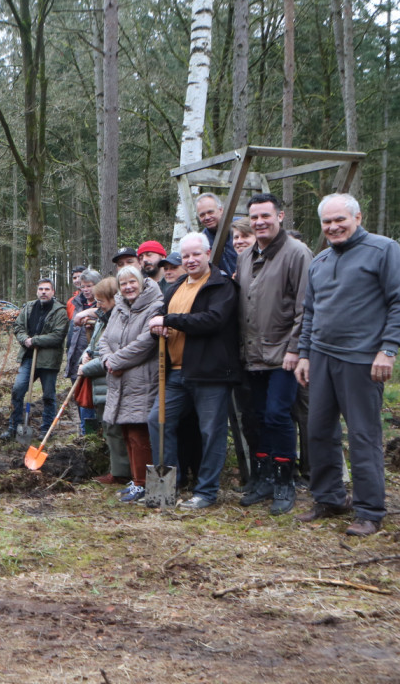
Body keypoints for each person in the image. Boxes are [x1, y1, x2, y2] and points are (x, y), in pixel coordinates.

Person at [295, 193, 400, 536]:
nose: (334, 227)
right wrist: (304, 354)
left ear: (358, 218)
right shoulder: (319, 261)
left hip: (362, 360)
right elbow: (311, 313)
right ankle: (330, 498)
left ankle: (369, 511)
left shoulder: (384, 250)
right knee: (318, 431)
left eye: (340, 220)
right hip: (321, 358)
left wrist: (388, 350)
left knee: (363, 435)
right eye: (327, 222)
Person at [147, 231, 241, 510]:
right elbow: (160, 323)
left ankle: (206, 492)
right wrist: (158, 328)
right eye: (185, 255)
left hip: (210, 372)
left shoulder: (221, 285)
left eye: (195, 254)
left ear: (208, 254)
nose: (190, 260)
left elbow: (212, 320)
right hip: (174, 372)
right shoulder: (174, 289)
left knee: (211, 432)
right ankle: (167, 487)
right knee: (158, 421)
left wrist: (169, 320)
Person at [235, 193, 312, 516]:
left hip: (283, 355)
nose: (260, 222)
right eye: (254, 218)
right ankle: (264, 477)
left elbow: (306, 307)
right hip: (252, 355)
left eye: (265, 216)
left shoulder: (297, 254)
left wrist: (296, 348)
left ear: (280, 216)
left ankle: (284, 480)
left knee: (280, 416)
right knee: (258, 416)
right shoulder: (245, 256)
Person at [95, 267, 164, 502]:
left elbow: (145, 342)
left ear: (141, 283)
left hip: (142, 378)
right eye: (123, 284)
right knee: (126, 431)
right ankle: (136, 480)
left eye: (132, 282)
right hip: (118, 378)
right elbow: (104, 339)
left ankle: (145, 483)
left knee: (139, 432)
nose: (128, 287)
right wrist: (107, 360)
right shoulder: (119, 308)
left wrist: (115, 360)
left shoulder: (155, 305)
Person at [76, 277, 130, 485]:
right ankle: (115, 469)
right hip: (99, 385)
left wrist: (86, 368)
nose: (98, 306)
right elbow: (95, 347)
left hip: (111, 383)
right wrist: (85, 355)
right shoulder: (102, 319)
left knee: (114, 428)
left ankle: (120, 472)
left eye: (101, 301)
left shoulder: (119, 321)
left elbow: (111, 357)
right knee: (107, 428)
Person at [3, 279, 68, 442]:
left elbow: (58, 336)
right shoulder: (29, 307)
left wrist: (35, 340)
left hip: (49, 362)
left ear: (53, 292)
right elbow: (18, 327)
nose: (43, 292)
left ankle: (46, 430)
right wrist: (25, 339)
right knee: (18, 390)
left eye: (47, 289)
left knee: (48, 396)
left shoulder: (60, 311)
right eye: (41, 289)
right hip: (28, 358)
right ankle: (14, 426)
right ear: (37, 291)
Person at [66, 269, 103, 429]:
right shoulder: (75, 304)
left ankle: (94, 433)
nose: (86, 289)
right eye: (83, 286)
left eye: (90, 286)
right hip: (77, 358)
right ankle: (84, 432)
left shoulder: (103, 304)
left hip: (95, 359)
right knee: (81, 397)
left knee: (95, 399)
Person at [193, 192, 239, 276]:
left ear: (221, 210)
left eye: (210, 212)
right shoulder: (202, 241)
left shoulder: (241, 227)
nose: (207, 217)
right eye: (202, 215)